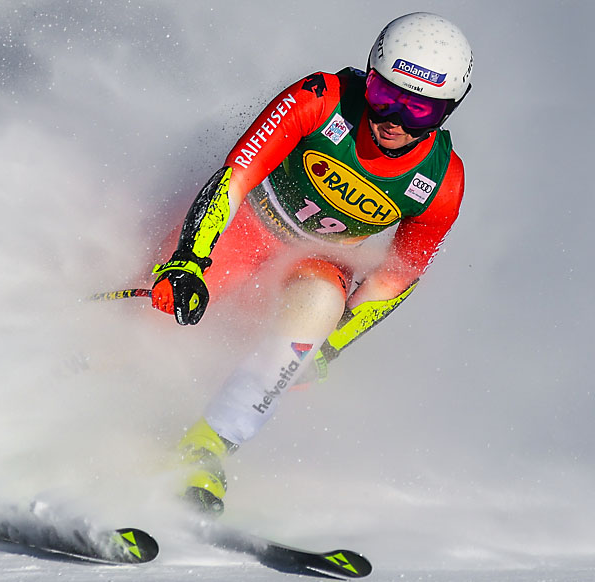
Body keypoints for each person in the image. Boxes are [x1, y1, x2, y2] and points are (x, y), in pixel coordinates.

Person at [149, 12, 472, 514]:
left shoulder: (443, 182)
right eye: (385, 97)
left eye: (420, 112)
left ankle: (204, 449)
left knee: (318, 314)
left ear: (447, 112)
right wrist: (189, 262)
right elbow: (234, 178)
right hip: (244, 230)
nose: (394, 122)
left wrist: (330, 348)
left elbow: (397, 275)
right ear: (369, 75)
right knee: (147, 330)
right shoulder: (318, 100)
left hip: (312, 262)